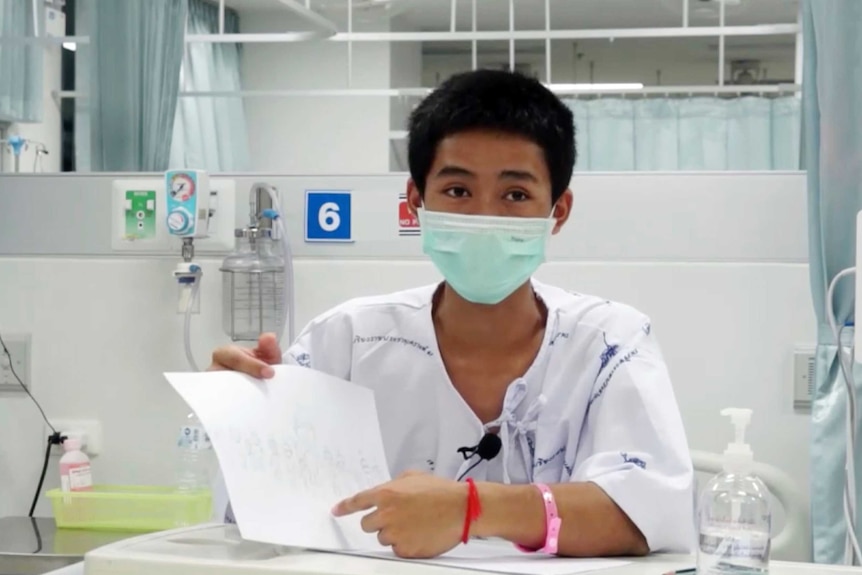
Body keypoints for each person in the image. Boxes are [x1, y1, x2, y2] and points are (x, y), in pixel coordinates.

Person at [210, 69, 694, 560]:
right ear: (417, 202)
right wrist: (241, 414)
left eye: (516, 195)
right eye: (458, 191)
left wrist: (470, 509)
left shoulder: (608, 344)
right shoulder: (347, 341)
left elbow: (646, 517)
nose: (485, 216)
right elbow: (260, 514)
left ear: (558, 211)